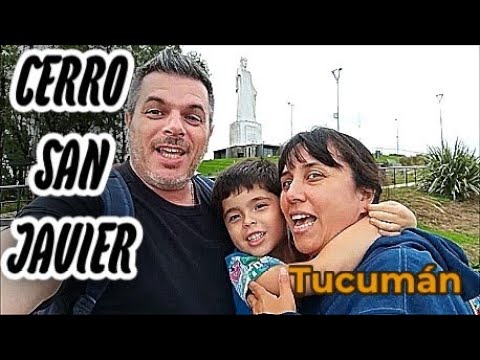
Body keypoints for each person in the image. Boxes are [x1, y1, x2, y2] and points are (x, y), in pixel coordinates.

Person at [0, 47, 235, 314]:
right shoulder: (90, 202)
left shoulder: (226, 206)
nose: (175, 128)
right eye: (156, 112)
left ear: (209, 131)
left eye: (192, 117)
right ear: (129, 120)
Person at [247, 127, 480, 315]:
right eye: (286, 182)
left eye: (314, 176)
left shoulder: (396, 274)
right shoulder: (313, 263)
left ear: (365, 195)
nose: (290, 194)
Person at [212, 158, 418, 314]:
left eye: (260, 206)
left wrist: (406, 220)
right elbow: (320, 274)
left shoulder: (302, 245)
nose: (248, 221)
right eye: (234, 217)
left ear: (284, 207)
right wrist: (371, 224)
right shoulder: (242, 265)